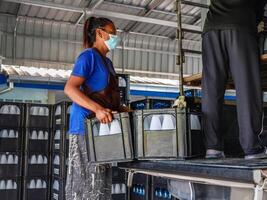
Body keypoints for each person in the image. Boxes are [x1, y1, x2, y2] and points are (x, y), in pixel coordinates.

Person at [64, 17, 129, 200]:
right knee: (85, 186)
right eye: (113, 33)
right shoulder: (88, 57)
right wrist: (98, 109)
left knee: (100, 186)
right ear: (100, 33)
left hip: (102, 131)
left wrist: (125, 110)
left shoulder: (107, 63)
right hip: (85, 130)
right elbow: (70, 88)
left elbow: (108, 98)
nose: (115, 37)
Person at [202, 0, 267, 159]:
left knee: (211, 91)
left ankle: (213, 147)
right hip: (240, 25)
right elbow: (259, 6)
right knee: (247, 89)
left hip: (212, 27)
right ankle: (252, 148)